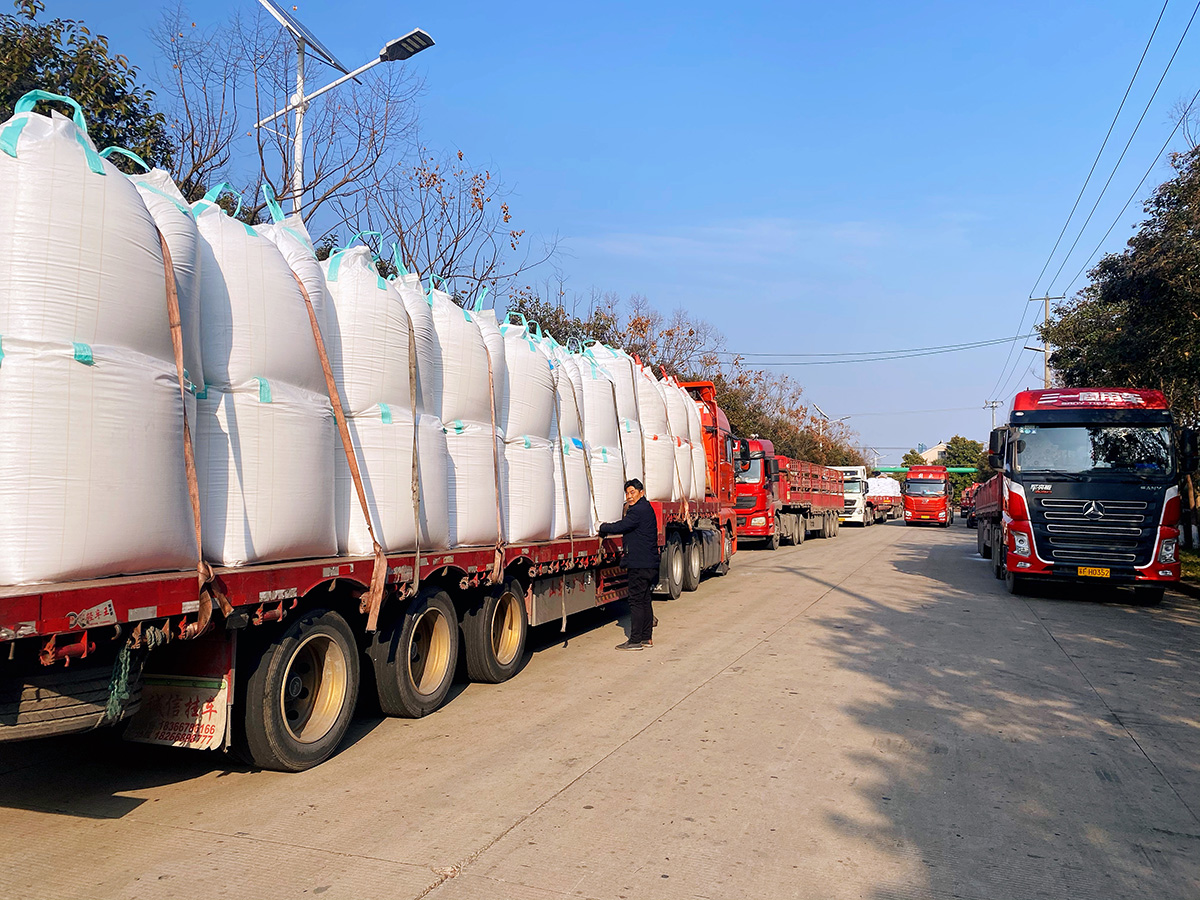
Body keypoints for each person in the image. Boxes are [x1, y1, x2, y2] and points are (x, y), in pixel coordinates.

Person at [599, 478, 660, 650]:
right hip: (648, 563)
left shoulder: (638, 510)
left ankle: (634, 641)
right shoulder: (646, 508)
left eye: (632, 492)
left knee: (635, 601)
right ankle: (646, 638)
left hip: (639, 564)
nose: (629, 496)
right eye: (627, 493)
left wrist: (602, 527)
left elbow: (622, 526)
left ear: (641, 492)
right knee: (645, 600)